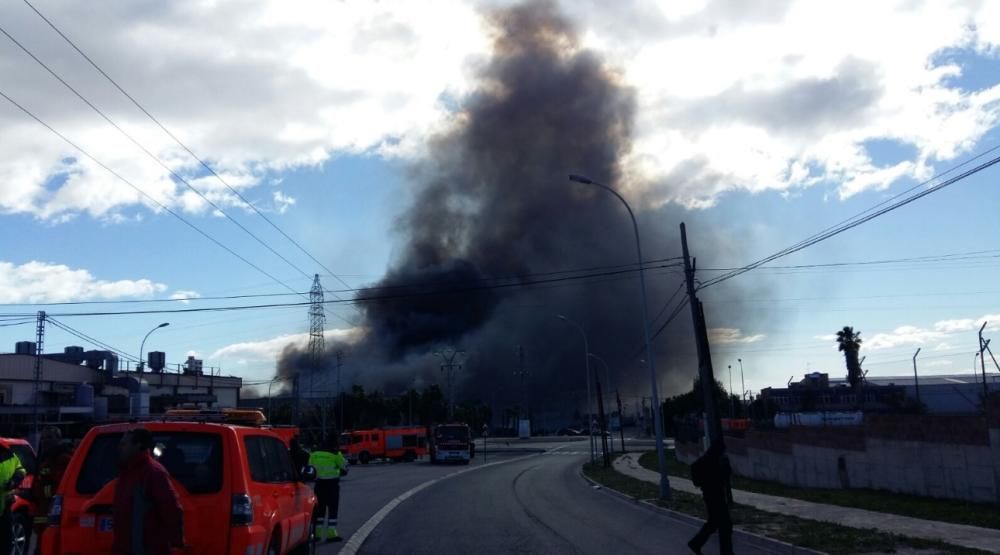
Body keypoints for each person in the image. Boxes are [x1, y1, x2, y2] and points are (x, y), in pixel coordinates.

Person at [112, 428, 184, 555]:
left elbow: (172, 510)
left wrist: (176, 541)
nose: (120, 447)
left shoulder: (153, 473)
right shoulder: (126, 473)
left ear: (138, 445)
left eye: (124, 444)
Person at [31, 427, 74, 555]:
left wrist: (40, 491)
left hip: (54, 513)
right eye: (43, 438)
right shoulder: (45, 458)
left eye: (49, 437)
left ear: (58, 439)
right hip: (43, 515)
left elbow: (61, 488)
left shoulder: (63, 459)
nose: (44, 441)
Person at [688, 441, 734, 555]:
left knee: (715, 523)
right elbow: (722, 477)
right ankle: (725, 552)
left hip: (710, 496)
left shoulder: (705, 460)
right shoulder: (715, 461)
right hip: (715, 496)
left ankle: (696, 543)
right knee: (725, 524)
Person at [307, 435, 348, 543]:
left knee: (319, 510)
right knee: (332, 509)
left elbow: (310, 467)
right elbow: (344, 466)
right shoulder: (335, 454)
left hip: (319, 485)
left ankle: (317, 533)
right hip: (332, 485)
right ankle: (331, 534)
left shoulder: (314, 454)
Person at [0, 443, 26, 554]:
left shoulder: (7, 453)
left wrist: (14, 481)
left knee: (6, 542)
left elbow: (20, 469)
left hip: (5, 506)